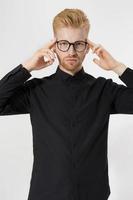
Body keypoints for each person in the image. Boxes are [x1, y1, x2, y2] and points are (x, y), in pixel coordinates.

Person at [0, 8, 132, 200]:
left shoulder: (104, 90)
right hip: (45, 195)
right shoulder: (36, 90)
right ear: (54, 45)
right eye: (64, 43)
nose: (71, 51)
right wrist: (27, 67)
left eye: (78, 44)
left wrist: (117, 67)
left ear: (87, 46)